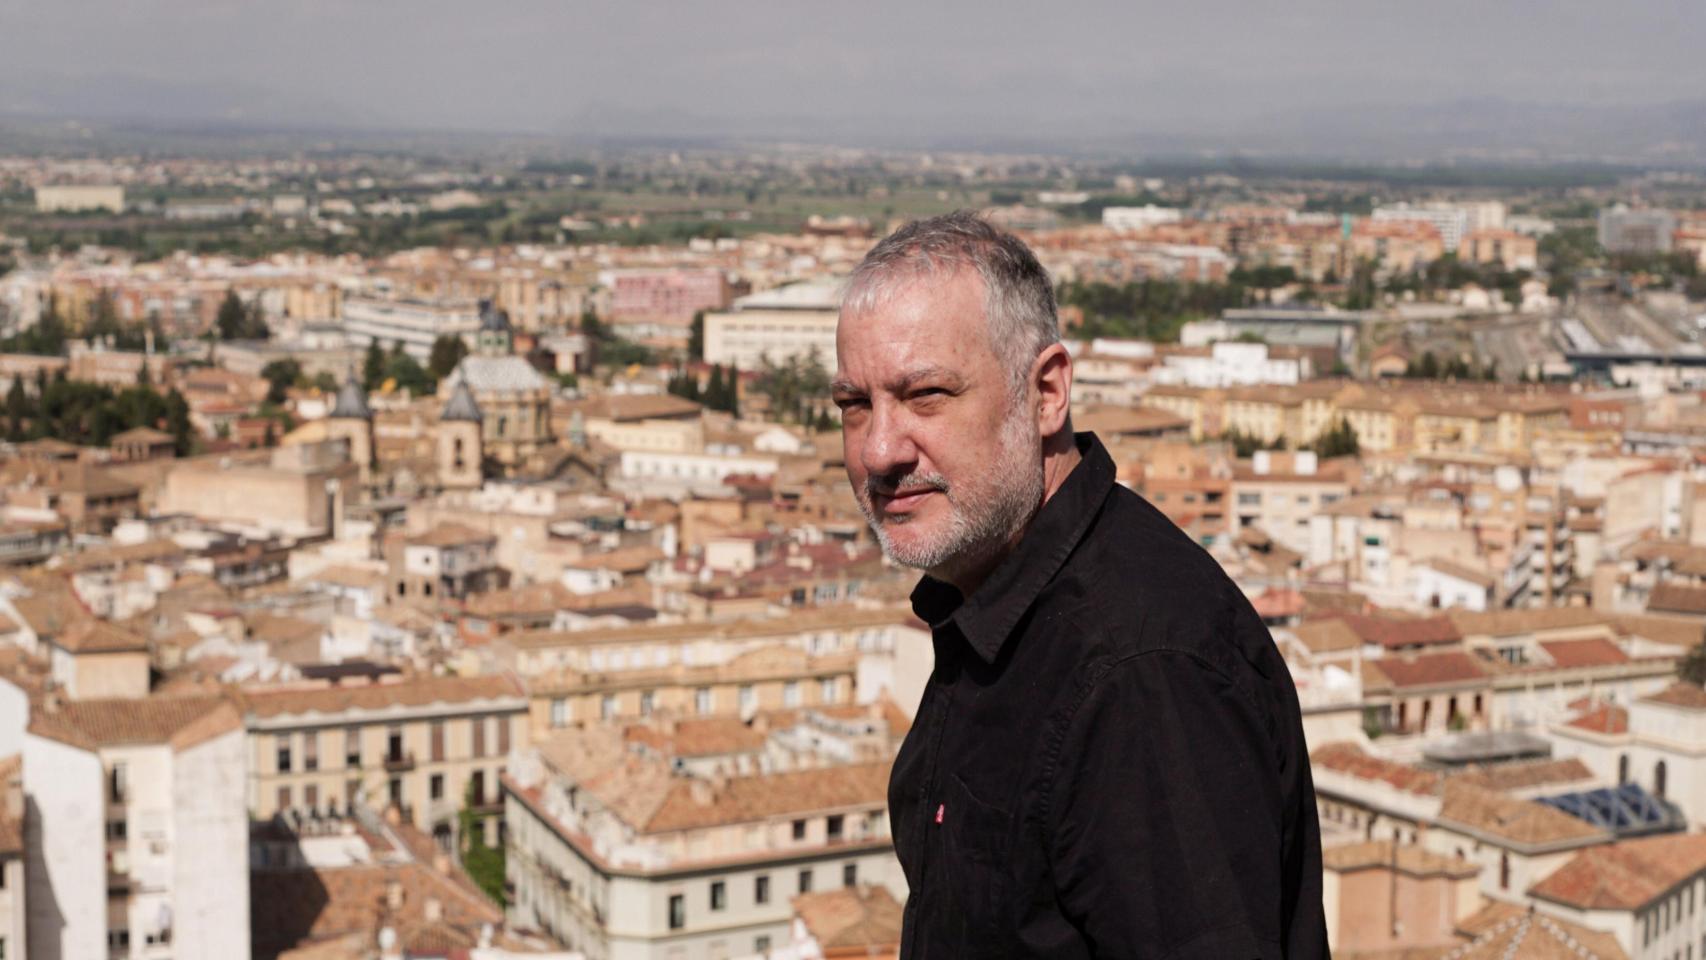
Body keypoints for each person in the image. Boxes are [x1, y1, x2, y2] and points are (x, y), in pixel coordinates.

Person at [832, 212, 1328, 959]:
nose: (879, 450)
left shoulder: (1142, 674)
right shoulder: (995, 607)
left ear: (1047, 392)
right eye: (854, 405)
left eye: (926, 395)